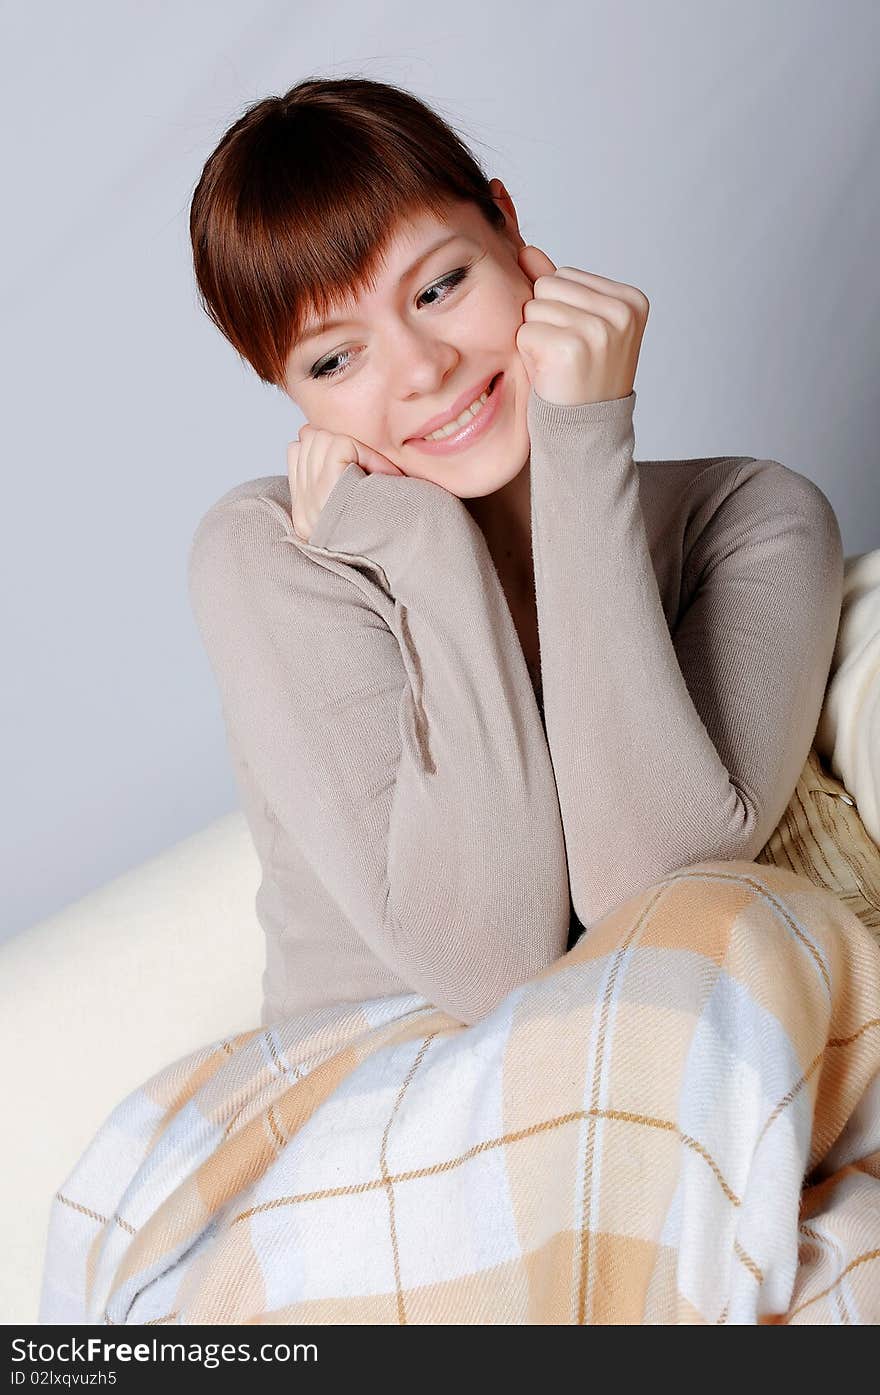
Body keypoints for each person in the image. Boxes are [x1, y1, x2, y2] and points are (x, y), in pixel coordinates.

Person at [187, 75, 844, 1030]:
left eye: (440, 287)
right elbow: (492, 967)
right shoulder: (270, 553)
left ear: (507, 226)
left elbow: (652, 903)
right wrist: (425, 549)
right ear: (289, 393)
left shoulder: (751, 519)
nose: (422, 370)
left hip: (660, 1058)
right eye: (335, 359)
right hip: (366, 1103)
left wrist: (583, 440)